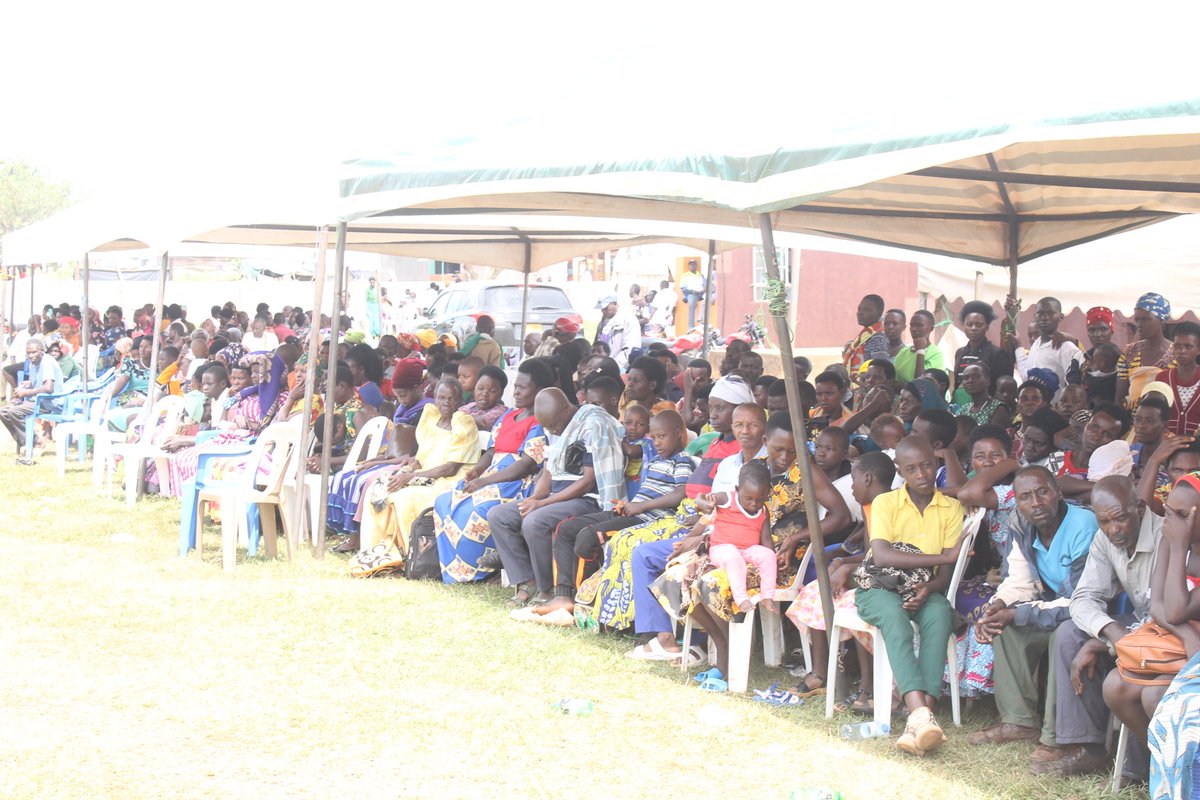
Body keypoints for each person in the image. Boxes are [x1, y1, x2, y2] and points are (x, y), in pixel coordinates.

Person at [599, 375, 753, 640]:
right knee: (621, 541)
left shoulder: (742, 453)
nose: (712, 414)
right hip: (689, 516)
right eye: (711, 407)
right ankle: (624, 620)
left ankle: (653, 632)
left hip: (706, 523)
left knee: (637, 547)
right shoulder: (716, 442)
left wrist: (699, 526)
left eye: (721, 408)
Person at [967, 468, 1098, 773]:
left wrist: (1018, 611)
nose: (1036, 502)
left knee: (1063, 634)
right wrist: (998, 605)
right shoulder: (1021, 523)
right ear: (1018, 504)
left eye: (1043, 492)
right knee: (1007, 628)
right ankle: (1018, 721)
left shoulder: (1083, 526)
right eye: (1026, 496)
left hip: (1088, 613)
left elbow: (1081, 600)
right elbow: (1019, 578)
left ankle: (1054, 737)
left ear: (1058, 493)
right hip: (1052, 605)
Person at [1041, 475, 1160, 782]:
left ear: (1140, 507)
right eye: (1104, 521)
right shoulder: (1105, 538)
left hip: (1163, 631)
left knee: (1128, 654)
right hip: (1134, 628)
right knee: (1069, 633)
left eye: (1120, 518)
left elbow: (1166, 613)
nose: (1113, 529)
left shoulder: (1164, 536)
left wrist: (1110, 639)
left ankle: (1136, 767)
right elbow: (1083, 599)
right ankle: (1088, 748)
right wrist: (1109, 631)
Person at [854, 436, 967, 756]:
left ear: (936, 463)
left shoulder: (951, 507)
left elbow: (944, 579)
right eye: (912, 468)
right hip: (879, 587)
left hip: (925, 587)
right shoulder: (885, 503)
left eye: (927, 465)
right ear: (899, 470)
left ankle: (918, 719)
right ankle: (921, 714)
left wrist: (928, 588)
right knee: (895, 619)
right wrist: (944, 558)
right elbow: (883, 557)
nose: (921, 474)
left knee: (939, 615)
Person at [531, 410, 695, 623]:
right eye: (653, 437)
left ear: (678, 433)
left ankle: (585, 600)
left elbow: (679, 495)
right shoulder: (655, 460)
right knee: (565, 529)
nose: (657, 442)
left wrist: (641, 505)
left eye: (662, 436)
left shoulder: (682, 461)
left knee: (587, 538)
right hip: (632, 511)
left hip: (648, 519)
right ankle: (562, 596)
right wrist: (628, 504)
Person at [496, 387, 626, 608]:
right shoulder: (553, 425)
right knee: (499, 516)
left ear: (566, 408)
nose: (553, 430)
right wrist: (534, 499)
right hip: (556, 497)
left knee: (535, 521)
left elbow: (587, 481)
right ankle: (528, 581)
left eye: (554, 425)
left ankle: (548, 591)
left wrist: (541, 504)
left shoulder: (592, 424)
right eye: (548, 427)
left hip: (587, 499)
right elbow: (548, 470)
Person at [787, 451, 896, 708]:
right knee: (818, 590)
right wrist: (842, 562)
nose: (851, 487)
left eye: (854, 480)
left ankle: (866, 686)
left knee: (841, 598)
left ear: (867, 479)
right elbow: (869, 553)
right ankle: (820, 672)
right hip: (871, 571)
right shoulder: (871, 507)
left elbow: (882, 558)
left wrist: (847, 569)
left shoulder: (888, 507)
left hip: (886, 579)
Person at [433, 359, 553, 583]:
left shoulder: (540, 421)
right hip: (492, 477)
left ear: (538, 391)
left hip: (516, 483)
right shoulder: (508, 416)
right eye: (516, 386)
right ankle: (454, 569)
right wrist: (477, 471)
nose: (516, 391)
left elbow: (526, 464)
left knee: (476, 510)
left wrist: (486, 482)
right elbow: (491, 451)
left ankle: (477, 571)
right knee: (444, 502)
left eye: (523, 387)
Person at [353, 378, 480, 561]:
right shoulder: (431, 419)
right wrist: (409, 469)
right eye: (441, 397)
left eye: (451, 399)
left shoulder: (464, 424)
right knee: (380, 488)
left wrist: (412, 477)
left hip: (448, 483)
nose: (446, 402)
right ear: (434, 398)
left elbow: (450, 468)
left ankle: (407, 554)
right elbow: (423, 457)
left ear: (460, 401)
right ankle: (378, 550)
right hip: (424, 476)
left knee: (404, 498)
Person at [0, 339, 64, 456]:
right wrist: (28, 383)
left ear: (42, 351)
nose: (31, 355)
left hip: (49, 402)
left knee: (14, 412)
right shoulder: (33, 363)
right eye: (28, 353)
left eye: (34, 352)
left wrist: (26, 393)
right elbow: (40, 382)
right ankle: (32, 441)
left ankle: (32, 442)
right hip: (39, 400)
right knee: (3, 412)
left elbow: (49, 388)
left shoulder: (47, 362)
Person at [1117, 292, 1175, 408]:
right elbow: (1119, 398)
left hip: (1166, 422)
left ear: (1162, 321)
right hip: (1134, 423)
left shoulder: (1177, 353)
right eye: (1137, 320)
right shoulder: (1129, 352)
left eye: (1145, 319)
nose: (1139, 325)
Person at [953, 300, 1014, 406]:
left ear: (986, 327)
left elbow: (1004, 387)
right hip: (961, 408)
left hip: (986, 407)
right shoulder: (960, 352)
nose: (973, 328)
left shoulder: (997, 353)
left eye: (978, 324)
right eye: (969, 324)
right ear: (964, 327)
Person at [1018, 297, 1083, 397]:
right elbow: (1027, 376)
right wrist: (1018, 348)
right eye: (1040, 313)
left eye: (1050, 313)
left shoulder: (1066, 348)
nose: (1045, 318)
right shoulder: (1036, 344)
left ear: (1061, 317)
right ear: (1035, 316)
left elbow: (1074, 386)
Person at [1157, 321, 1200, 437]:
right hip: (1166, 446)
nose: (1182, 351)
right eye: (1177, 346)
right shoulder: (1162, 378)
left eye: (1188, 346)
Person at [843, 294, 891, 384]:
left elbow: (879, 372)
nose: (860, 313)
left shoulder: (878, 338)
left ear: (879, 313)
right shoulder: (865, 335)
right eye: (859, 309)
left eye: (867, 310)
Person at [893, 310, 943, 385]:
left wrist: (920, 351)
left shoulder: (936, 354)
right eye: (912, 325)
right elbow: (894, 382)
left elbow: (922, 385)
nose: (913, 329)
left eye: (919, 325)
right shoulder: (903, 352)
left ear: (931, 329)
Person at [952, 363, 1010, 427]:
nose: (970, 381)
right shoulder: (963, 409)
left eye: (976, 377)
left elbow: (993, 436)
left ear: (988, 381)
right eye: (966, 378)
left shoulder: (998, 409)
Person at [594, 295, 642, 370]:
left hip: (619, 367)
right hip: (602, 366)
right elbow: (597, 345)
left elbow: (629, 348)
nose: (603, 311)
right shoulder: (603, 322)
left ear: (615, 304)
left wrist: (613, 366)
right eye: (602, 308)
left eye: (606, 308)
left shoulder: (628, 319)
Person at [460, 365, 509, 431]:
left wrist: (455, 417)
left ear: (500, 394)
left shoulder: (501, 412)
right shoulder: (470, 406)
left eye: (492, 391)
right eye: (481, 388)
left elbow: (480, 422)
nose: (484, 394)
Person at [679, 259, 707, 330]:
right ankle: (691, 327)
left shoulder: (701, 275)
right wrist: (692, 291)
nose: (692, 266)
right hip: (691, 293)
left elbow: (706, 285)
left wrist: (704, 290)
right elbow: (683, 288)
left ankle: (702, 323)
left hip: (701, 293)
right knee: (692, 304)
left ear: (696, 265)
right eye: (691, 264)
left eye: (694, 264)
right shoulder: (685, 275)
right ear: (689, 266)